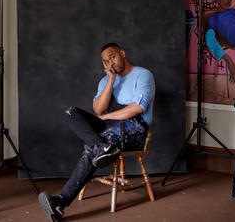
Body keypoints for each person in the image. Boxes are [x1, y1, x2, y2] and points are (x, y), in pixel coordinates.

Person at [38, 43, 155, 222]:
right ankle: (101, 147)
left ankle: (60, 202)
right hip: (110, 128)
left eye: (113, 57)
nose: (110, 63)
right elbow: (99, 109)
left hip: (134, 130)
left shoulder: (143, 74)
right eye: (105, 61)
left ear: (122, 53)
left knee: (92, 148)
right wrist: (110, 80)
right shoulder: (105, 81)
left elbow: (137, 108)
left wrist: (106, 118)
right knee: (72, 113)